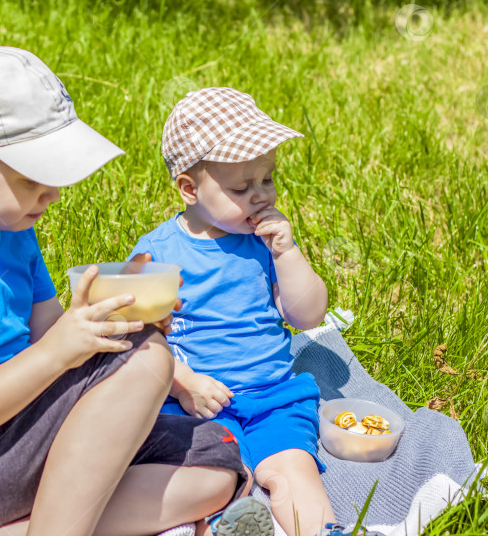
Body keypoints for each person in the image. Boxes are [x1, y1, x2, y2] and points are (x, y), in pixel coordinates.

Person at [0, 46, 250, 536]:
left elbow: (47, 332)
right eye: (34, 178)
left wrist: (113, 314)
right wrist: (64, 352)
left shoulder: (6, 220)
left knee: (215, 461)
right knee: (145, 360)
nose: (54, 194)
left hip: (12, 423)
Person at [127, 87, 338, 536]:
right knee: (208, 477)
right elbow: (138, 338)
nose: (260, 195)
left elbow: (309, 316)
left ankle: (324, 530)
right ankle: (223, 523)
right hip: (197, 405)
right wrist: (183, 384)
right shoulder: (158, 251)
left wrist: (288, 253)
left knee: (292, 470)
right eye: (241, 187)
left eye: (267, 179)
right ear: (188, 188)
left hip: (272, 397)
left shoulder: (266, 242)